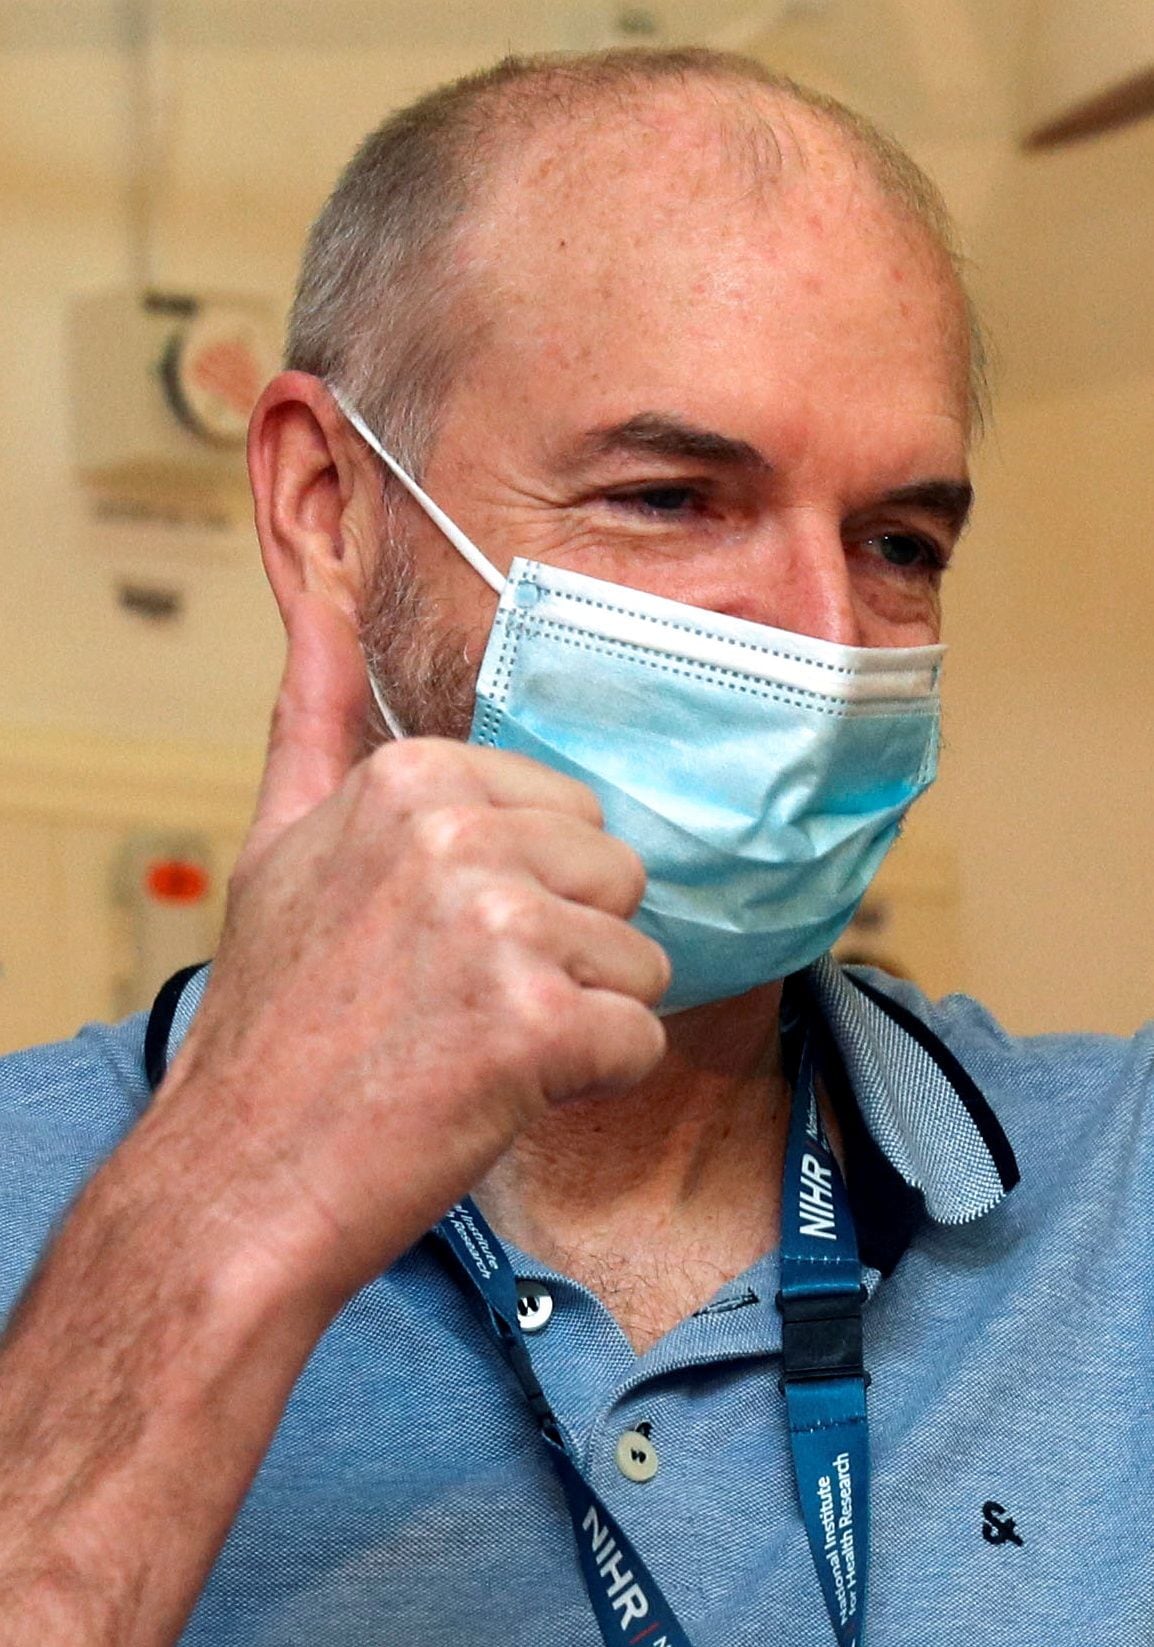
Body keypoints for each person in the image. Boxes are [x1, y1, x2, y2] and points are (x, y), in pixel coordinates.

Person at [0, 45, 1149, 1647]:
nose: (822, 647)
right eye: (671, 497)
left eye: (898, 542)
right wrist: (226, 1197)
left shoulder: (1119, 1195)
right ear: (329, 514)